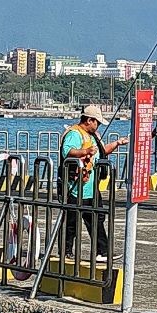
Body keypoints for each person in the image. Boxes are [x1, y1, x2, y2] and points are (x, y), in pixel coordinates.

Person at [60, 105, 111, 261]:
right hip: (74, 187)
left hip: (90, 186)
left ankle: (102, 251)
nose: (98, 126)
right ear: (89, 120)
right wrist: (85, 152)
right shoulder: (74, 133)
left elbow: (100, 153)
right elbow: (67, 151)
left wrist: (117, 143)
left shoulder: (92, 135)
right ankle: (66, 251)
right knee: (72, 221)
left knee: (97, 218)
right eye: (97, 123)